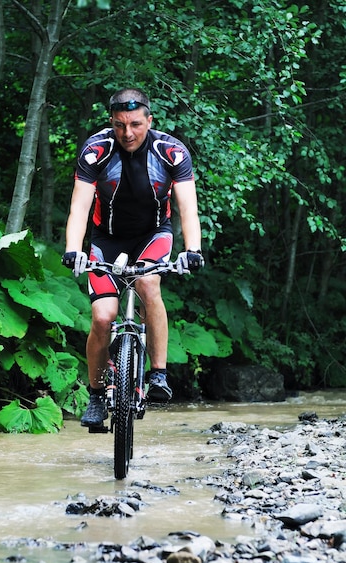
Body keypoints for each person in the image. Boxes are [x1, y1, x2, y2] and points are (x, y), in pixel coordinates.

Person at [62, 87, 204, 427]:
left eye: (136, 124)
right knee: (102, 316)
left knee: (147, 282)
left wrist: (193, 250)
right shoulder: (97, 150)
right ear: (111, 121)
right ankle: (96, 395)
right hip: (106, 239)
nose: (128, 133)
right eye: (121, 125)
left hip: (153, 235)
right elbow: (79, 206)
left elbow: (188, 208)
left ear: (149, 120)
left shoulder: (170, 151)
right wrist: (73, 249)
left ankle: (158, 375)